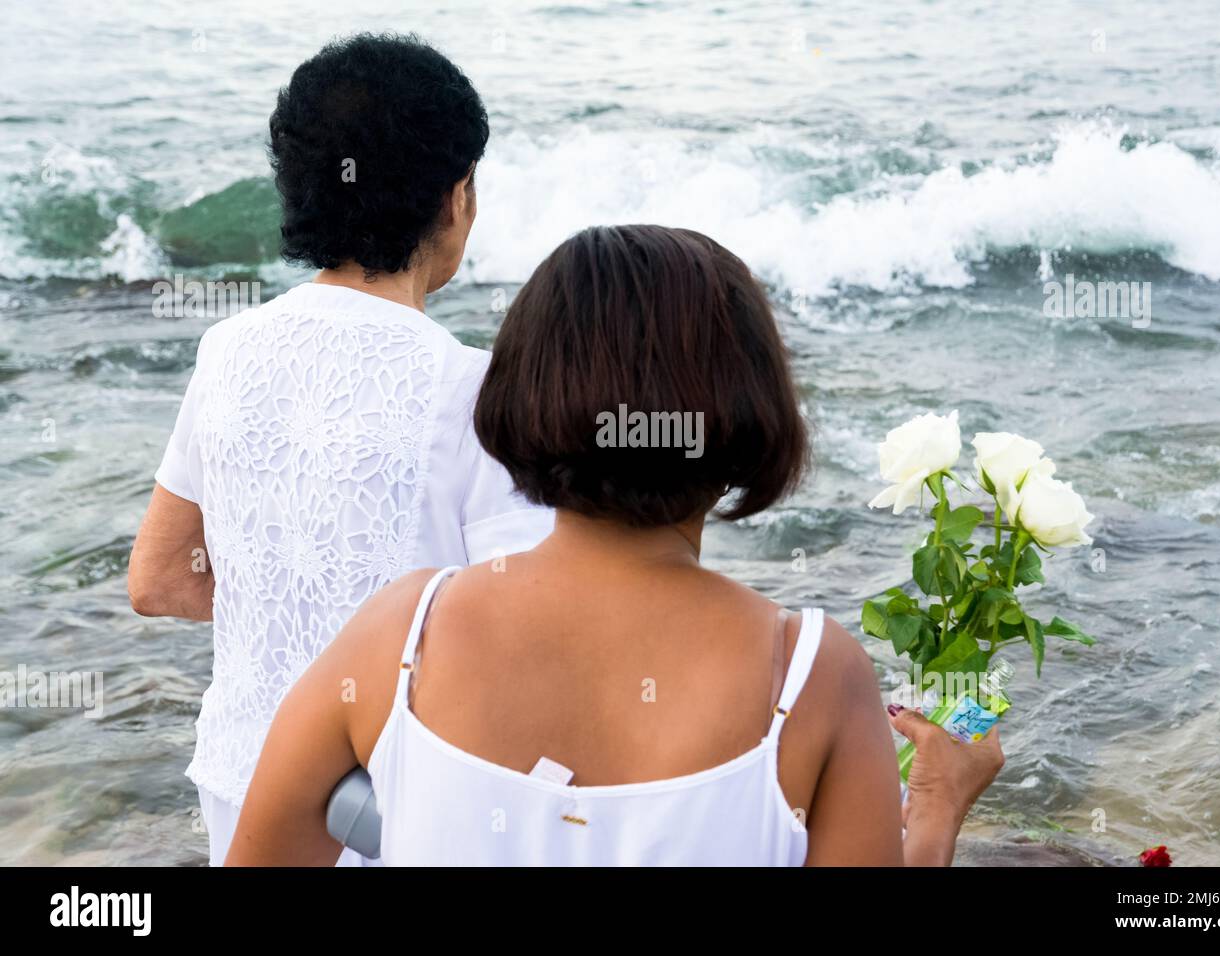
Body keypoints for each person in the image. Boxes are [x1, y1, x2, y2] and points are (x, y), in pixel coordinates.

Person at [227, 225, 1002, 866]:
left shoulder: (403, 635)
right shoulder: (809, 676)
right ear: (749, 411)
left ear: (523, 395)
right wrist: (932, 813)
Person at [126, 33, 553, 866]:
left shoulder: (228, 349)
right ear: (454, 197)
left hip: (242, 784)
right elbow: (527, 636)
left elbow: (159, 580)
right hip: (397, 807)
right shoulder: (474, 387)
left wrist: (291, 608)